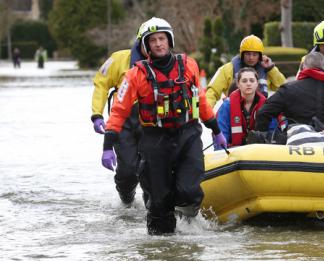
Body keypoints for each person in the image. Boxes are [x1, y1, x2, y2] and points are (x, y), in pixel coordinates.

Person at [100, 17, 227, 235]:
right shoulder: (135, 75)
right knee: (158, 205)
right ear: (146, 46)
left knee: (188, 190)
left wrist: (216, 129)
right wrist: (107, 145)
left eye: (162, 39)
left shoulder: (189, 66)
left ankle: (189, 223)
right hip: (154, 139)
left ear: (170, 41)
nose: (158, 44)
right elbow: (119, 110)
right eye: (153, 40)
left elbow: (201, 100)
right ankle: (162, 251)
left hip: (187, 136)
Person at [90, 21, 146, 206]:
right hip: (125, 122)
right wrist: (97, 115)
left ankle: (153, 203)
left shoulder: (166, 64)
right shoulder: (118, 59)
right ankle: (126, 196)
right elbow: (101, 83)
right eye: (150, 40)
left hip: (152, 121)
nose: (156, 44)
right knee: (128, 171)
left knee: (152, 168)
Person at [256, 52, 324, 131]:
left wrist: (264, 139)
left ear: (303, 68)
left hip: (295, 147)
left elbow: (263, 113)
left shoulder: (288, 90)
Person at [206, 35, 286, 108]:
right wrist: (207, 114)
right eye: (248, 54)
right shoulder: (227, 69)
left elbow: (284, 88)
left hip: (260, 114)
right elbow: (212, 92)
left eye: (255, 54)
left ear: (260, 56)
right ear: (242, 54)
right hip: (234, 113)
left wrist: (271, 69)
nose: (251, 58)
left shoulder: (267, 70)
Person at [216, 67, 270, 147]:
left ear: (257, 83)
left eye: (252, 80)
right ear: (238, 84)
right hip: (234, 152)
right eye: (244, 81)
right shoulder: (227, 106)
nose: (248, 83)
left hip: (260, 151)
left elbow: (272, 132)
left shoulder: (267, 106)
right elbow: (221, 133)